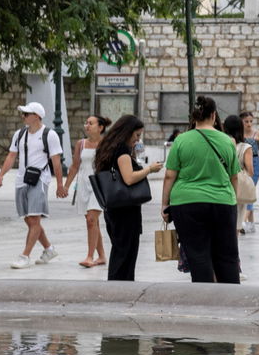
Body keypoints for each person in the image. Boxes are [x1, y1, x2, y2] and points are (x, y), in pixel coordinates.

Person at [160, 95, 242, 284]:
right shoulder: (227, 141)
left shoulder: (181, 141)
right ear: (214, 115)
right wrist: (232, 201)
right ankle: (231, 298)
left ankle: (204, 299)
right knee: (227, 255)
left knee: (198, 255)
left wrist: (165, 204)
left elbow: (170, 175)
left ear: (194, 116)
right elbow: (234, 176)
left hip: (187, 203)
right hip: (222, 201)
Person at [0, 102, 64, 269]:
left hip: (40, 179)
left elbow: (56, 162)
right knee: (29, 219)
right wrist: (1, 174)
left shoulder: (50, 135)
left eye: (26, 114)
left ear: (37, 116)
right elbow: (11, 156)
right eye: (23, 114)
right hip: (21, 179)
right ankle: (49, 249)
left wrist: (60, 185)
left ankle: (25, 256)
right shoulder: (19, 134)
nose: (23, 116)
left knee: (34, 218)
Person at [93, 116, 163, 281]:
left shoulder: (108, 147)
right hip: (126, 210)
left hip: (114, 208)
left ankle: (118, 284)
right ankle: (121, 286)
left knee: (119, 250)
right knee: (126, 253)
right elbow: (129, 178)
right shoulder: (122, 151)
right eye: (137, 135)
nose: (138, 139)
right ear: (128, 132)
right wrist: (150, 169)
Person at [58, 114, 108, 266]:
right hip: (84, 184)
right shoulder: (81, 144)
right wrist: (66, 186)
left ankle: (89, 257)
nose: (87, 125)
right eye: (86, 123)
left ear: (100, 127)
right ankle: (102, 256)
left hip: (100, 185)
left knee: (91, 219)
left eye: (91, 123)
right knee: (93, 222)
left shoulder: (106, 143)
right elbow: (74, 166)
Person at [222, 114, 256, 237]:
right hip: (238, 188)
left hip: (222, 184)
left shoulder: (221, 144)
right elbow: (250, 170)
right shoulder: (246, 147)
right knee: (236, 222)